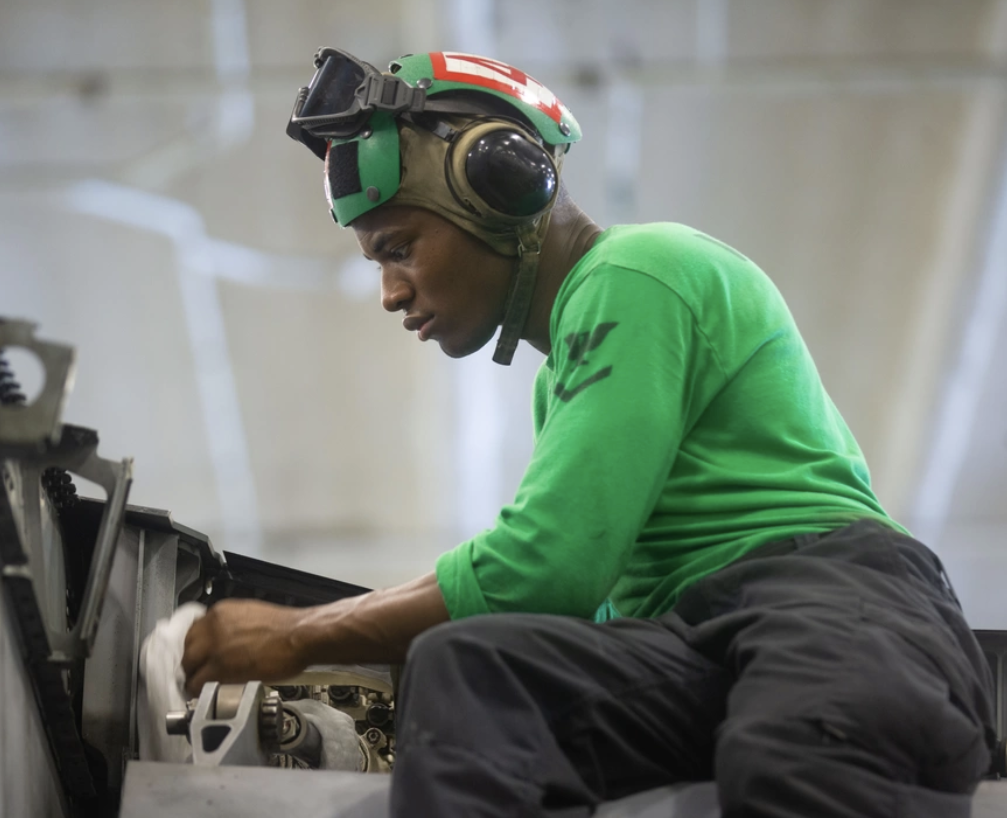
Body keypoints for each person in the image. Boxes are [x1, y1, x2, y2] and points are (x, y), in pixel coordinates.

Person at [181, 49, 996, 817]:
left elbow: (544, 567)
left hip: (834, 609)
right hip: (702, 646)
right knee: (472, 669)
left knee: (790, 758)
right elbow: (559, 612)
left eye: (399, 248)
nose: (392, 292)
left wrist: (298, 637)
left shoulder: (640, 273)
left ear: (496, 186)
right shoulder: (561, 382)